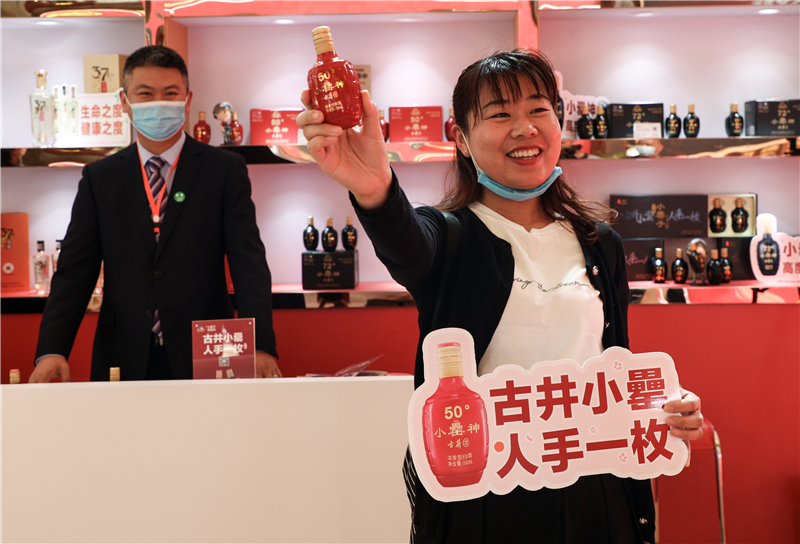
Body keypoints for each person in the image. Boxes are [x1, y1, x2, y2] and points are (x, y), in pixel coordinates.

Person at [297, 49, 703, 543]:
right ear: (461, 138)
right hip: (488, 493)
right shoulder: (446, 239)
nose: (524, 128)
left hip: (594, 487)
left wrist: (661, 407)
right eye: (499, 115)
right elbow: (404, 243)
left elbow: (612, 367)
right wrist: (376, 189)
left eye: (538, 109)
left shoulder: (600, 243)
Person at [30, 45, 280, 382]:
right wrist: (52, 350)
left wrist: (260, 345)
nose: (158, 103)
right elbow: (75, 271)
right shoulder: (100, 178)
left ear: (187, 100)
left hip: (209, 349)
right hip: (123, 351)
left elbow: (248, 262)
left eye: (170, 93)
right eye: (145, 93)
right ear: (124, 101)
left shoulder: (224, 170)